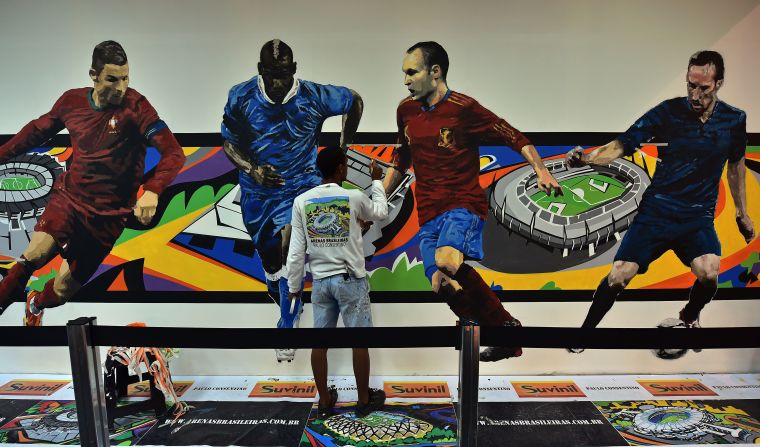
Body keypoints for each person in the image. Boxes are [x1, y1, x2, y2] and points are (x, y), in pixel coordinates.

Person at [382, 41, 563, 362]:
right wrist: (377, 201)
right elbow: (401, 158)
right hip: (429, 215)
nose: (406, 80)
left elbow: (512, 135)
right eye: (404, 74)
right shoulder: (405, 111)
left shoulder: (464, 108)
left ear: (435, 72)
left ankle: (502, 328)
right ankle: (505, 330)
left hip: (463, 206)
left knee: (448, 261)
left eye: (412, 72)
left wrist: (541, 170)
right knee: (441, 284)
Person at [566, 50, 754, 356]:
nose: (695, 94)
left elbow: (736, 166)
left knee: (709, 272)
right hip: (657, 211)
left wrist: (742, 214)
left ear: (718, 83)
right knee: (618, 276)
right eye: (690, 85)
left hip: (696, 217)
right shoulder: (668, 112)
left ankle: (688, 317)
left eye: (703, 88)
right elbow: (621, 145)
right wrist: (586, 159)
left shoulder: (735, 119)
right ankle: (585, 333)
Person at [0, 40, 185, 326]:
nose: (121, 87)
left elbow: (173, 153)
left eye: (126, 78)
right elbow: (36, 132)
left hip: (108, 218)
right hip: (69, 200)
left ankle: (36, 302)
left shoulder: (138, 107)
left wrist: (152, 190)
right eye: (113, 79)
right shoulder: (71, 101)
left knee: (62, 291)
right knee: (34, 255)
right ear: (94, 75)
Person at [221, 39, 363, 362]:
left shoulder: (313, 95)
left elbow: (355, 100)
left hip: (301, 187)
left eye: (284, 74)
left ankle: (287, 319)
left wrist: (345, 144)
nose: (278, 82)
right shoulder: (240, 96)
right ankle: (281, 292)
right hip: (257, 193)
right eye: (271, 75)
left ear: (294, 70)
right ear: (260, 71)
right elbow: (228, 143)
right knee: (271, 259)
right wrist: (252, 169)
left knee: (289, 245)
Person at [286, 146, 387, 418]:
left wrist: (294, 288)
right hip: (350, 281)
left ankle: (324, 400)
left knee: (320, 343)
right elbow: (380, 211)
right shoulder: (353, 197)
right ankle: (364, 400)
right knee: (359, 342)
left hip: (320, 283)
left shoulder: (302, 201)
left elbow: (296, 251)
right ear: (342, 168)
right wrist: (377, 180)